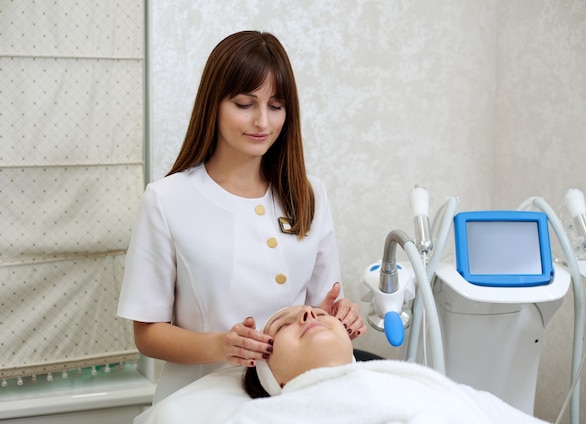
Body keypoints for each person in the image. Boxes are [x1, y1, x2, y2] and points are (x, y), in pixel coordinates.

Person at [117, 30, 366, 404]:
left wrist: (338, 317)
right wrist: (221, 345)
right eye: (245, 104)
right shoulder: (167, 200)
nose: (262, 122)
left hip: (292, 396)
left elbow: (320, 305)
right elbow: (147, 333)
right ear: (213, 104)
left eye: (276, 106)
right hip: (200, 398)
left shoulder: (309, 194)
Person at [233, 305, 550, 424]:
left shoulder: (423, 386)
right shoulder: (265, 415)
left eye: (319, 313)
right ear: (272, 380)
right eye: (281, 325)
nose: (308, 315)